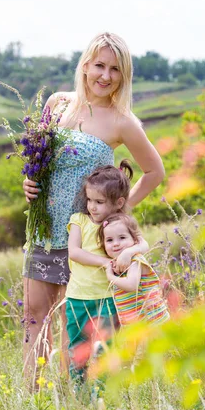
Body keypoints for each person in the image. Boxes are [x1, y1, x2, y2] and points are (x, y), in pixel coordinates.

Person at [22, 32, 165, 384]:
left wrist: (117, 213)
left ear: (123, 75)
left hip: (84, 238)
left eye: (115, 69)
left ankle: (83, 398)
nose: (105, 75)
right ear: (85, 65)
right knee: (33, 314)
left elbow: (154, 171)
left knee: (80, 321)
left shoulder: (121, 121)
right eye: (99, 65)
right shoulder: (56, 105)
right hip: (43, 227)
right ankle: (35, 394)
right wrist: (27, 184)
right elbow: (38, 161)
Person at [66, 161, 148, 379]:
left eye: (99, 202)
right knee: (78, 347)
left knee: (107, 349)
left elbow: (143, 244)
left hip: (110, 298)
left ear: (118, 202)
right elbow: (74, 252)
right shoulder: (79, 220)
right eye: (90, 200)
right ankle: (80, 393)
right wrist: (104, 263)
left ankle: (104, 394)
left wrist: (128, 253)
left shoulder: (121, 223)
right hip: (79, 298)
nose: (92, 207)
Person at [98, 213, 170, 326]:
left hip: (152, 320)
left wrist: (111, 277)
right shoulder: (117, 264)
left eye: (122, 238)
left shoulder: (135, 260)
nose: (116, 244)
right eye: (109, 240)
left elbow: (132, 285)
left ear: (135, 240)